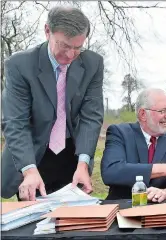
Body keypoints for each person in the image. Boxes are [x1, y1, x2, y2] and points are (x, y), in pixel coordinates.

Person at [1, 6, 104, 200]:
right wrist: (29, 170)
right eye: (64, 45)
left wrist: (83, 163)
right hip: (33, 156)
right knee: (33, 225)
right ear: (47, 31)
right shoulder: (19, 66)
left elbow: (92, 117)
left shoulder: (93, 64)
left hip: (72, 156)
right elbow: (15, 122)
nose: (71, 55)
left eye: (77, 47)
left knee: (73, 225)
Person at [101, 88, 166, 203]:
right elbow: (111, 172)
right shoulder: (120, 133)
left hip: (163, 213)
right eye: (163, 111)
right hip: (122, 209)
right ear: (143, 114)